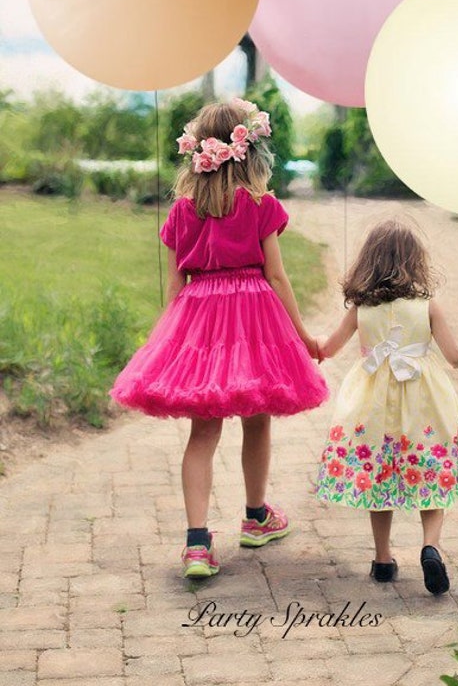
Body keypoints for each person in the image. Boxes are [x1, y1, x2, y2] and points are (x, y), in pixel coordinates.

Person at [110, 99, 328, 579]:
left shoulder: (182, 212)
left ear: (197, 153)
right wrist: (303, 334)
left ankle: (196, 543)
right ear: (247, 151)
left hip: (200, 318)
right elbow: (276, 277)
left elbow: (174, 286)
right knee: (257, 417)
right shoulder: (259, 205)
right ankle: (255, 516)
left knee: (203, 431)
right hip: (253, 318)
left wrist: (166, 345)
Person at [315, 219, 458, 595]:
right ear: (415, 262)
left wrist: (308, 341)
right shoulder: (427, 306)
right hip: (423, 404)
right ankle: (430, 547)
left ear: (368, 262)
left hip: (374, 408)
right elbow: (453, 354)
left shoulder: (361, 309)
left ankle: (383, 560)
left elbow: (329, 347)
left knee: (379, 477)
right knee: (431, 473)